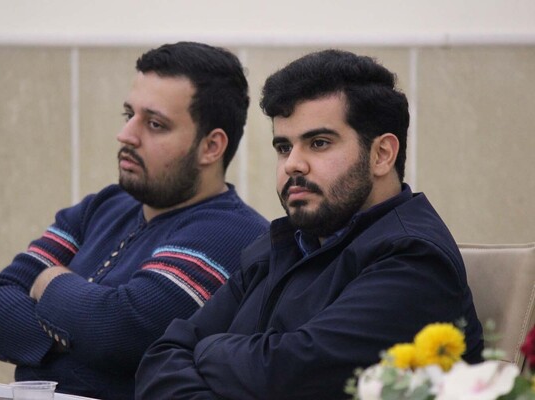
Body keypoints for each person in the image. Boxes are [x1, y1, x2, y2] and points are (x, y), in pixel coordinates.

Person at [134, 49, 484, 400]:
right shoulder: (282, 245)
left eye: (318, 143)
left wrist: (207, 349)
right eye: (284, 147)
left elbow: (289, 373)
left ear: (381, 154)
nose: (293, 164)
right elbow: (161, 358)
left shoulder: (415, 259)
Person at [0, 41, 269, 400]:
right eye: (129, 115)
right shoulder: (103, 206)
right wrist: (79, 334)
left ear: (211, 147)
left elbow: (121, 332)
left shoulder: (234, 233)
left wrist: (49, 283)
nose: (126, 135)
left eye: (155, 124)